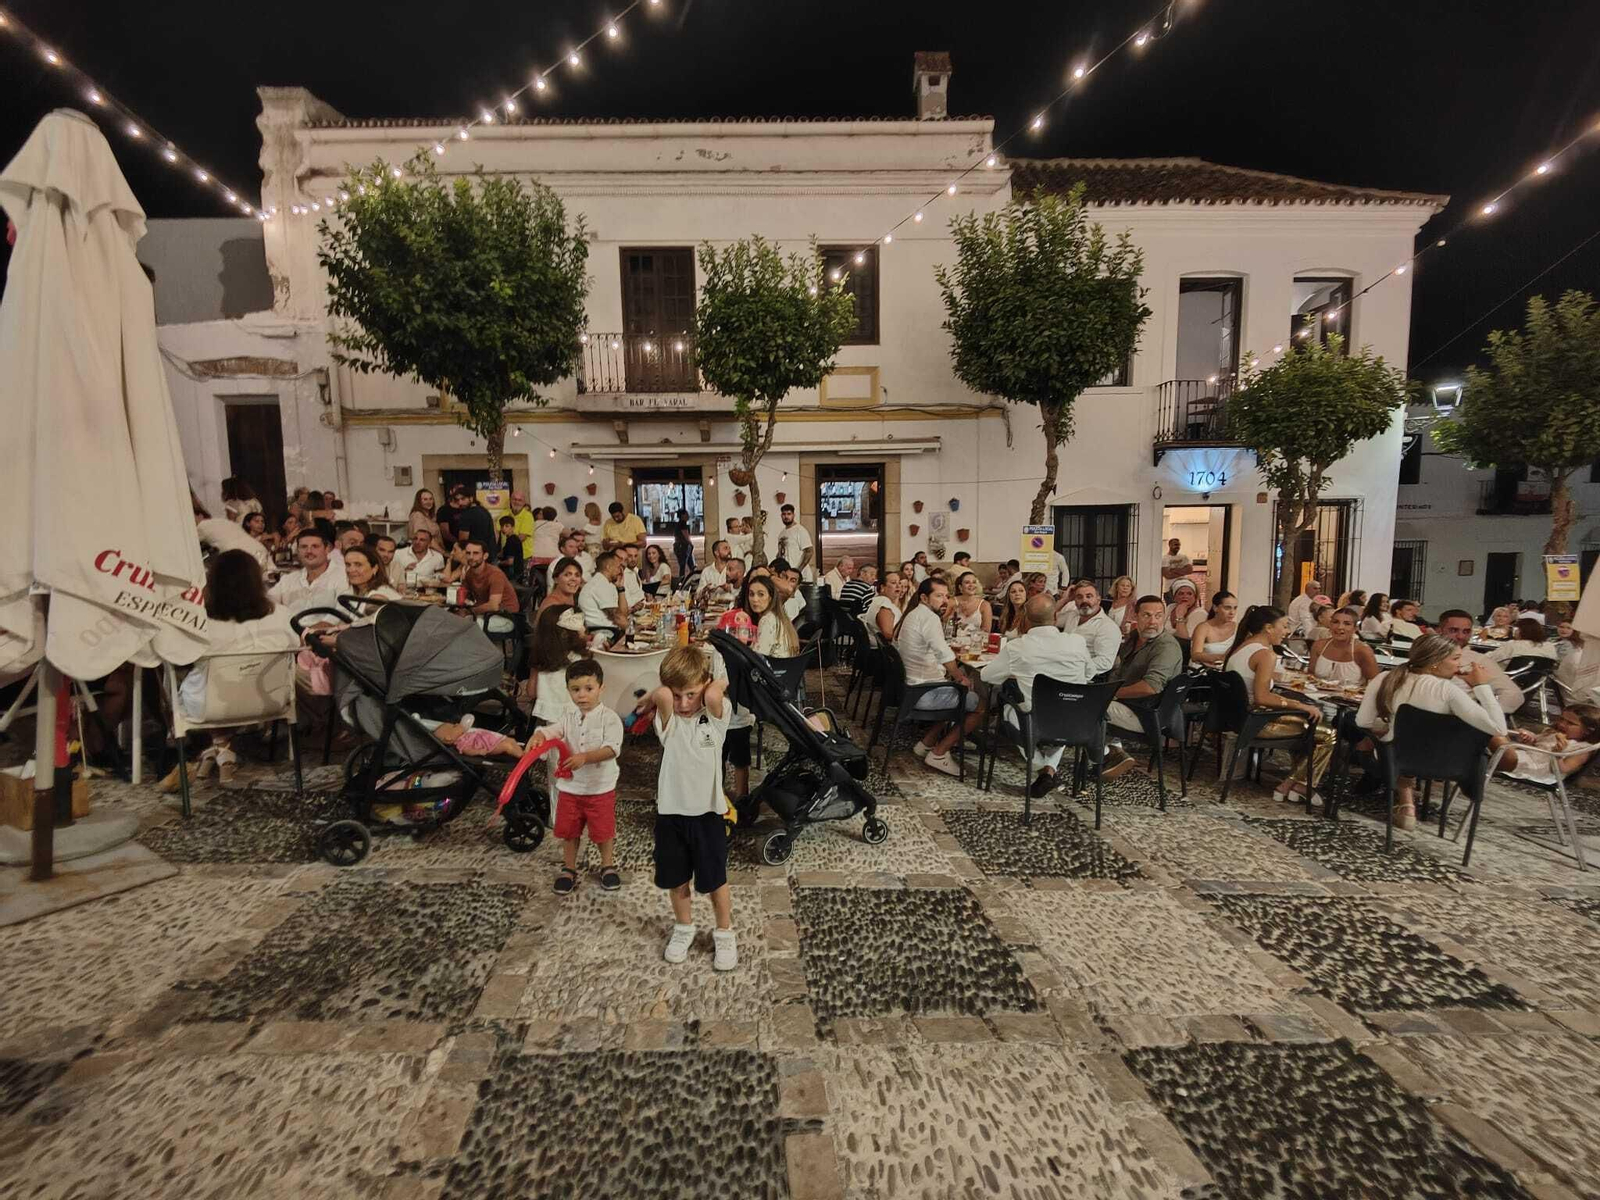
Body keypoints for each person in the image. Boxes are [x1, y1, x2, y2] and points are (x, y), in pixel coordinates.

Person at [157, 549, 297, 792]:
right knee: (223, 680)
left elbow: (175, 655)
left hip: (211, 706)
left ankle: (217, 748)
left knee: (178, 677)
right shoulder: (282, 615)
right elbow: (295, 647)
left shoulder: (200, 621)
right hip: (271, 700)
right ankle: (221, 748)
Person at [1355, 633, 1511, 830]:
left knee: (1391, 742)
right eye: (1455, 658)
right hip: (1447, 766)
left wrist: (1389, 727)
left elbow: (1363, 721)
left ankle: (1405, 804)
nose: (1459, 665)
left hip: (1393, 762)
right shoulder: (1447, 690)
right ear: (1435, 662)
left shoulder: (1385, 678)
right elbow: (1499, 727)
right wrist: (1482, 686)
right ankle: (1408, 805)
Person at [649, 646, 737, 971]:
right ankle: (684, 927)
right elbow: (660, 692)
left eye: (691, 694)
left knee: (715, 880)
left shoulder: (716, 717)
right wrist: (672, 692)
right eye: (677, 695)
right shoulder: (668, 720)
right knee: (677, 878)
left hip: (707, 814)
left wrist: (713, 682)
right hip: (671, 814)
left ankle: (725, 932)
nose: (684, 703)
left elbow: (715, 692)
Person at [982, 593, 1094, 797]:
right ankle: (1049, 771)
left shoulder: (1018, 647)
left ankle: (1043, 768)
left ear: (1025, 619)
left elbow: (987, 676)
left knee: (1009, 709)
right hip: (1076, 721)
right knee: (1062, 708)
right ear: (1055, 617)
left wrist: (1017, 672)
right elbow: (1090, 674)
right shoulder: (1077, 642)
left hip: (1034, 722)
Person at [1226, 605, 1335, 805]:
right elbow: (1262, 697)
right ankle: (1294, 784)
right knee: (1327, 733)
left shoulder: (1242, 647)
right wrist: (1298, 705)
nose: (1286, 632)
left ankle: (1297, 785)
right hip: (1257, 722)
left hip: (1239, 718)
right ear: (1268, 627)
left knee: (1308, 725)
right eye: (1284, 626)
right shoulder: (1265, 654)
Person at [894, 577, 986, 778]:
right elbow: (944, 654)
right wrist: (961, 676)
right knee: (978, 705)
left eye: (946, 596)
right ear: (924, 597)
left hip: (911, 687)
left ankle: (926, 743)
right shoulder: (929, 618)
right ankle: (939, 752)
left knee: (954, 689)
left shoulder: (913, 614)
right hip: (922, 692)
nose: (944, 600)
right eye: (938, 596)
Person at [550, 658, 626, 896]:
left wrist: (586, 757)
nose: (582, 695)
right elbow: (555, 730)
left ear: (601, 688)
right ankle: (569, 868)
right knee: (569, 830)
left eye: (588, 689)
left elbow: (612, 748)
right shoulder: (568, 716)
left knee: (603, 831)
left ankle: (607, 865)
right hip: (571, 788)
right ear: (568, 690)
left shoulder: (609, 718)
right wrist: (541, 736)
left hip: (599, 788)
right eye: (575, 690)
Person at [1100, 596, 1185, 780]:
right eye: (1147, 615)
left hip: (1148, 715)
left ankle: (1108, 754)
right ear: (1135, 615)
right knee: (1088, 702)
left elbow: (1151, 687)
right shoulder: (1134, 638)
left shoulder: (1166, 646)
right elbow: (1117, 670)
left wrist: (1111, 694)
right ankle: (1110, 753)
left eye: (1158, 616)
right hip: (1130, 706)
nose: (1153, 621)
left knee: (1089, 707)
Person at [1435, 609, 1524, 714]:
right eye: (1454, 630)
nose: (1460, 636)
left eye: (1466, 631)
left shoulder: (1479, 660)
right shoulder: (1424, 653)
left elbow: (1513, 694)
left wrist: (1486, 717)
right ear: (1439, 631)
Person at [1500, 704, 1600, 786]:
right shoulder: (1553, 733)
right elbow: (1537, 745)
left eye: (1570, 723)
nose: (1562, 724)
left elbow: (1563, 769)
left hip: (1538, 771)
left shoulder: (1583, 749)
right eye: (1561, 719)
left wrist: (1557, 754)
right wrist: (1529, 739)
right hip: (1526, 758)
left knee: (1495, 739)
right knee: (1494, 739)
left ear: (1587, 731)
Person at [268, 527, 348, 616]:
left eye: (315, 546)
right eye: (304, 547)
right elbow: (267, 602)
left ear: (327, 549)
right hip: (288, 628)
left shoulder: (343, 576)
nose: (309, 551)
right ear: (297, 551)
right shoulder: (289, 579)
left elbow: (344, 611)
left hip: (329, 629)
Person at [526, 605, 585, 722]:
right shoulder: (580, 659)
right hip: (578, 718)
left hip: (548, 719)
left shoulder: (541, 659)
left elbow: (531, 692)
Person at [1058, 581, 1125, 677]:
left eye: (1089, 596)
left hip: (1085, 679)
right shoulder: (1072, 615)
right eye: (1079, 597)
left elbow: (1104, 662)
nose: (1084, 601)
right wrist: (1065, 600)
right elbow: (1047, 619)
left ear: (1098, 599)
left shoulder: (1108, 627)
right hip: (1060, 670)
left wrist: (1071, 668)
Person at [1307, 607, 1380, 688]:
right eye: (1335, 622)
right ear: (1330, 625)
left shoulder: (1363, 651)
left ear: (1355, 628)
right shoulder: (1318, 646)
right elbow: (1310, 675)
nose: (1340, 627)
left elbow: (1375, 684)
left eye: (1347, 624)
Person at [741, 574, 799, 658]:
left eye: (761, 594)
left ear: (770, 598)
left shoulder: (767, 620)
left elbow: (758, 658)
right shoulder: (777, 616)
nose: (755, 599)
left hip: (773, 669)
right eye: (751, 594)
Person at [461, 539, 519, 620]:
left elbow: (493, 606)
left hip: (506, 616)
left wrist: (470, 611)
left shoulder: (495, 574)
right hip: (486, 614)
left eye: (476, 553)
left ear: (485, 556)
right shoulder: (469, 573)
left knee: (466, 625)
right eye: (468, 553)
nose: (471, 557)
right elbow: (462, 593)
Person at [578, 550, 628, 640]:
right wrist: (634, 631)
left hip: (612, 631)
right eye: (618, 567)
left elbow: (623, 614)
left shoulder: (605, 583)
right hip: (604, 633)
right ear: (608, 567)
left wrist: (621, 588)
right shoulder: (599, 584)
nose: (620, 571)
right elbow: (618, 618)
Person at [340, 545, 402, 617]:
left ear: (374, 569)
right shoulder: (351, 592)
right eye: (348, 565)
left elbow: (371, 622)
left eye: (358, 565)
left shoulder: (379, 594)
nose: (351, 570)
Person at [1187, 591, 1240, 668]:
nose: (1232, 612)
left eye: (1235, 608)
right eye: (1227, 608)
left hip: (1226, 670)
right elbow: (1195, 655)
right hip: (1202, 671)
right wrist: (1219, 658)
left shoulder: (1238, 628)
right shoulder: (1203, 627)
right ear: (1215, 608)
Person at [775, 505, 816, 591]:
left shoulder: (800, 530)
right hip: (787, 576)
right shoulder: (781, 533)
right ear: (781, 516)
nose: (786, 516)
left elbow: (809, 551)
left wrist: (798, 570)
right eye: (784, 514)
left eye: (789, 514)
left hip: (801, 576)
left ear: (793, 515)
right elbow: (780, 554)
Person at [1485, 617, 1559, 664]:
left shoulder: (1513, 645)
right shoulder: (1549, 646)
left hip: (1509, 678)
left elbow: (1491, 658)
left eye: (1516, 629)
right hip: (1537, 680)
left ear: (1521, 631)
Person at [864, 571, 907, 648]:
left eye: (899, 583)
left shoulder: (881, 600)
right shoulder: (883, 604)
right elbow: (887, 634)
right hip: (885, 653)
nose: (898, 586)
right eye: (893, 583)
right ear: (882, 587)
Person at [949, 571, 993, 638]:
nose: (971, 585)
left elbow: (986, 631)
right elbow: (945, 625)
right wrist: (953, 612)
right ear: (960, 587)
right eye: (967, 582)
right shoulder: (952, 601)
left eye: (974, 582)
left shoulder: (985, 605)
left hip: (975, 642)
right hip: (954, 641)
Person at [508, 491, 537, 563]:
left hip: (523, 556)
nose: (516, 502)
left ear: (524, 502)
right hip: (507, 556)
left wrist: (506, 547)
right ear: (510, 500)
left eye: (519, 500)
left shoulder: (528, 516)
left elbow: (522, 537)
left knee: (520, 574)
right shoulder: (504, 513)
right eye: (514, 499)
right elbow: (496, 532)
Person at [496, 515, 526, 581]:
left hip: (512, 573)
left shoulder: (511, 541)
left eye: (507, 526)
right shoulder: (513, 538)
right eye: (502, 526)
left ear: (513, 527)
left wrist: (498, 563)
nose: (504, 528)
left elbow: (510, 562)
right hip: (517, 572)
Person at [618, 544, 646, 608]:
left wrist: (644, 595)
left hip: (641, 612)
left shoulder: (635, 571)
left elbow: (636, 592)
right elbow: (627, 602)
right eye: (629, 556)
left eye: (635, 556)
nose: (633, 559)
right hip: (630, 615)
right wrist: (642, 599)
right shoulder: (622, 575)